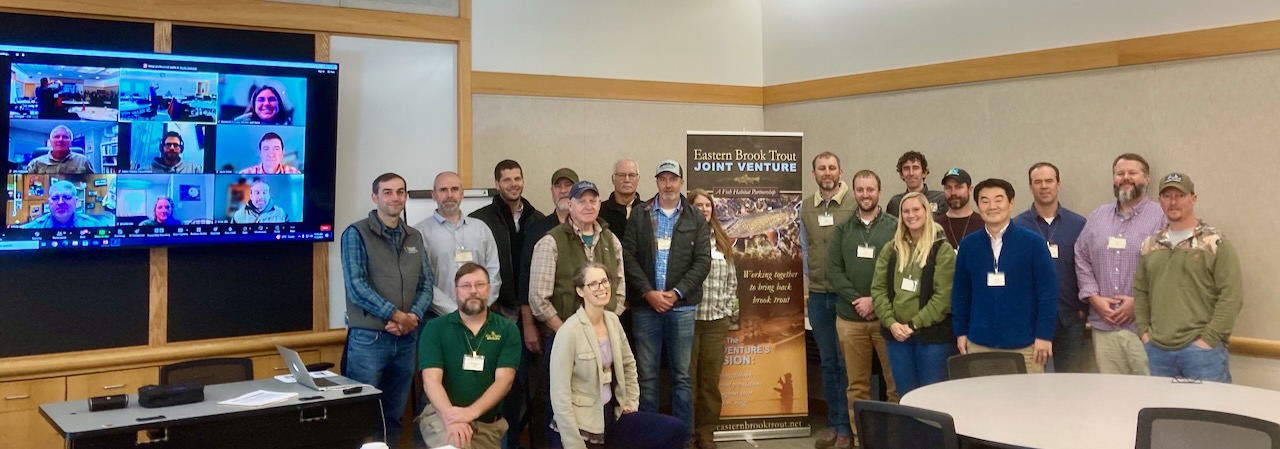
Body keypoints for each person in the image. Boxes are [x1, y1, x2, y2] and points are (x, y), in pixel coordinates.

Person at [530, 179, 626, 448]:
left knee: (602, 404)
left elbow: (619, 292)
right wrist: (570, 335)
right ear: (569, 205)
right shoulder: (550, 242)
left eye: (593, 200)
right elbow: (538, 298)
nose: (588, 205)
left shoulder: (611, 240)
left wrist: (606, 327)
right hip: (563, 339)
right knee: (562, 408)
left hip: (604, 340)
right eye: (581, 201)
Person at [550, 262, 688, 449]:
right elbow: (560, 394)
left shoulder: (613, 321)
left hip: (613, 415)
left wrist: (631, 401)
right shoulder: (569, 332)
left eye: (604, 281)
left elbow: (629, 364)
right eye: (593, 284)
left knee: (675, 429)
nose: (601, 288)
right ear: (580, 291)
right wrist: (573, 443)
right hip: (582, 426)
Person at [340, 172, 434, 445]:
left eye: (400, 192)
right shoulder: (356, 233)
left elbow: (426, 284)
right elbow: (357, 286)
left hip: (406, 340)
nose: (395, 197)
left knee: (393, 415)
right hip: (369, 340)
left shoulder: (414, 236)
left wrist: (413, 317)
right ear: (375, 197)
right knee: (361, 415)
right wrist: (397, 316)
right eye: (387, 192)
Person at [622, 160, 711, 434]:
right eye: (663, 179)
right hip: (645, 308)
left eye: (673, 179)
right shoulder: (640, 214)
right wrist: (648, 293)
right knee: (647, 378)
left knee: (682, 378)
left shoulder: (695, 217)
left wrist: (676, 293)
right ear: (657, 182)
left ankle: (682, 439)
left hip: (681, 308)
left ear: (681, 182)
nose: (668, 184)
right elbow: (628, 256)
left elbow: (702, 261)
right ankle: (651, 438)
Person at [467, 160, 545, 449]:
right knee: (490, 382)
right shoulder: (479, 220)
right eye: (507, 179)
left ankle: (510, 442)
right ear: (497, 183)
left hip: (528, 314)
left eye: (517, 178)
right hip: (494, 313)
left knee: (518, 383)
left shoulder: (537, 218)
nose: (513, 184)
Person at [1136, 173, 1243, 383]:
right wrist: (1144, 333)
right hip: (1158, 351)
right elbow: (1141, 291)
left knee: (1210, 406)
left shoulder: (1214, 242)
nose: (1173, 202)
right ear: (1160, 201)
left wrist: (1209, 339)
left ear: (1193, 199)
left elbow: (1231, 296)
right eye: (1167, 196)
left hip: (1202, 353)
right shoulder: (1150, 245)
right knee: (1163, 405)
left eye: (1180, 195)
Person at [952, 179, 1058, 374]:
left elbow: (1048, 293)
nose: (992, 206)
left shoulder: (1033, 243)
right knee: (982, 394)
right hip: (978, 344)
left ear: (1011, 203)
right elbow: (961, 294)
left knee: (1027, 394)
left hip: (1025, 346)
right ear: (978, 206)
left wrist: (1044, 335)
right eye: (985, 201)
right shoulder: (968, 245)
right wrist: (961, 332)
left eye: (998, 200)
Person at [1075, 153, 1166, 375]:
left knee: (1150, 389)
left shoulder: (1162, 217)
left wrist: (1139, 303)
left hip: (1145, 328)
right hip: (1103, 327)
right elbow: (1081, 256)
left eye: (1132, 173)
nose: (1125, 178)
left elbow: (1169, 268)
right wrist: (1093, 297)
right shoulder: (1098, 216)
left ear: (1146, 178)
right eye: (1120, 173)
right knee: (1112, 391)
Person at [827, 170, 898, 441]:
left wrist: (875, 302)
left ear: (879, 191)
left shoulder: (895, 226)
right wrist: (858, 301)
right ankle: (862, 439)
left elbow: (901, 269)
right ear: (854, 192)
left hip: (887, 320)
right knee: (857, 386)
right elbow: (834, 271)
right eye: (860, 189)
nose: (865, 194)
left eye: (870, 189)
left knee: (895, 385)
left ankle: (896, 440)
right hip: (850, 319)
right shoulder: (843, 229)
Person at [418, 262, 521, 449]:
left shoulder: (507, 330)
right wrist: (452, 417)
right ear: (456, 291)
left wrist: (470, 413)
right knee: (453, 446)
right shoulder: (435, 328)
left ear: (489, 289)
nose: (473, 291)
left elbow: (504, 381)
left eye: (479, 285)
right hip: (442, 417)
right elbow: (430, 381)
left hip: (487, 425)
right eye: (466, 286)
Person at [870, 192, 955, 395]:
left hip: (932, 339)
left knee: (932, 397)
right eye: (906, 211)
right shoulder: (891, 249)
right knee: (906, 395)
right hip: (897, 337)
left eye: (916, 209)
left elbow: (943, 297)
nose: (911, 215)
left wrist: (913, 324)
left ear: (927, 212)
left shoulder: (942, 249)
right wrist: (891, 323)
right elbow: (878, 289)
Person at [799, 152, 857, 449]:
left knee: (848, 365)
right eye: (821, 168)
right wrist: (811, 279)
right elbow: (805, 248)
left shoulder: (854, 204)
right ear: (814, 174)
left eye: (832, 167)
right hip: (819, 296)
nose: (827, 172)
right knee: (829, 363)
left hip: (846, 296)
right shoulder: (806, 207)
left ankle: (848, 427)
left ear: (840, 171)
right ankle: (834, 423)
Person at [518, 167, 578, 448]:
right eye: (559, 186)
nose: (564, 191)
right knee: (547, 391)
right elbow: (525, 278)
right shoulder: (538, 228)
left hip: (585, 326)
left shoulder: (593, 225)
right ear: (552, 191)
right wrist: (529, 324)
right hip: (549, 326)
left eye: (569, 186)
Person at [1011, 162, 1088, 373]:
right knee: (1032, 381)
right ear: (1030, 187)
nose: (1044, 186)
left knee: (1071, 381)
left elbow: (1088, 267)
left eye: (1049, 181)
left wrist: (1085, 309)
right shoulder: (1016, 226)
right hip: (1030, 319)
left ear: (1058, 185)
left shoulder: (1079, 224)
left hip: (1070, 318)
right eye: (1038, 182)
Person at [686, 189, 737, 449]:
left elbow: (731, 280)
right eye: (698, 205)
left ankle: (706, 433)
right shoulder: (683, 237)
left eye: (708, 205)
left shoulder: (721, 241)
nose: (704, 209)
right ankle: (687, 433)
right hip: (688, 320)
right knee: (687, 381)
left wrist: (727, 310)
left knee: (709, 382)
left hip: (716, 322)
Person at [413, 171, 502, 317]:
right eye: (443, 190)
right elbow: (422, 280)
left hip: (480, 314)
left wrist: (481, 305)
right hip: (440, 317)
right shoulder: (419, 233)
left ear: (462, 193)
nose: (449, 195)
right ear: (433, 195)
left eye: (454, 189)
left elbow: (493, 272)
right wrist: (455, 312)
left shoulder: (481, 229)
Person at [21, 180, 106, 228]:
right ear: (49, 202)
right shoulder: (30, 228)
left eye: (67, 197)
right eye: (55, 198)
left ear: (76, 201)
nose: (60, 202)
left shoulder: (95, 226)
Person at [934, 168, 983, 249]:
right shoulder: (935, 226)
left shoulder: (983, 224)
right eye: (948, 188)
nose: (953, 193)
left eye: (959, 187)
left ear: (970, 190)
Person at [885, 151, 945, 217]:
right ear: (901, 175)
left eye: (915, 168)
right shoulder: (895, 203)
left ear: (924, 173)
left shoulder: (940, 199)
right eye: (906, 168)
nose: (911, 173)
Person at [600, 159, 643, 240]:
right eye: (621, 175)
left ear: (638, 179)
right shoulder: (599, 212)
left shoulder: (648, 211)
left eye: (632, 175)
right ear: (613, 179)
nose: (627, 180)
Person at [26, 126, 94, 174]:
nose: (60, 139)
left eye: (65, 137)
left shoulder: (83, 161)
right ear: (50, 142)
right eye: (56, 137)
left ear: (71, 142)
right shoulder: (35, 164)